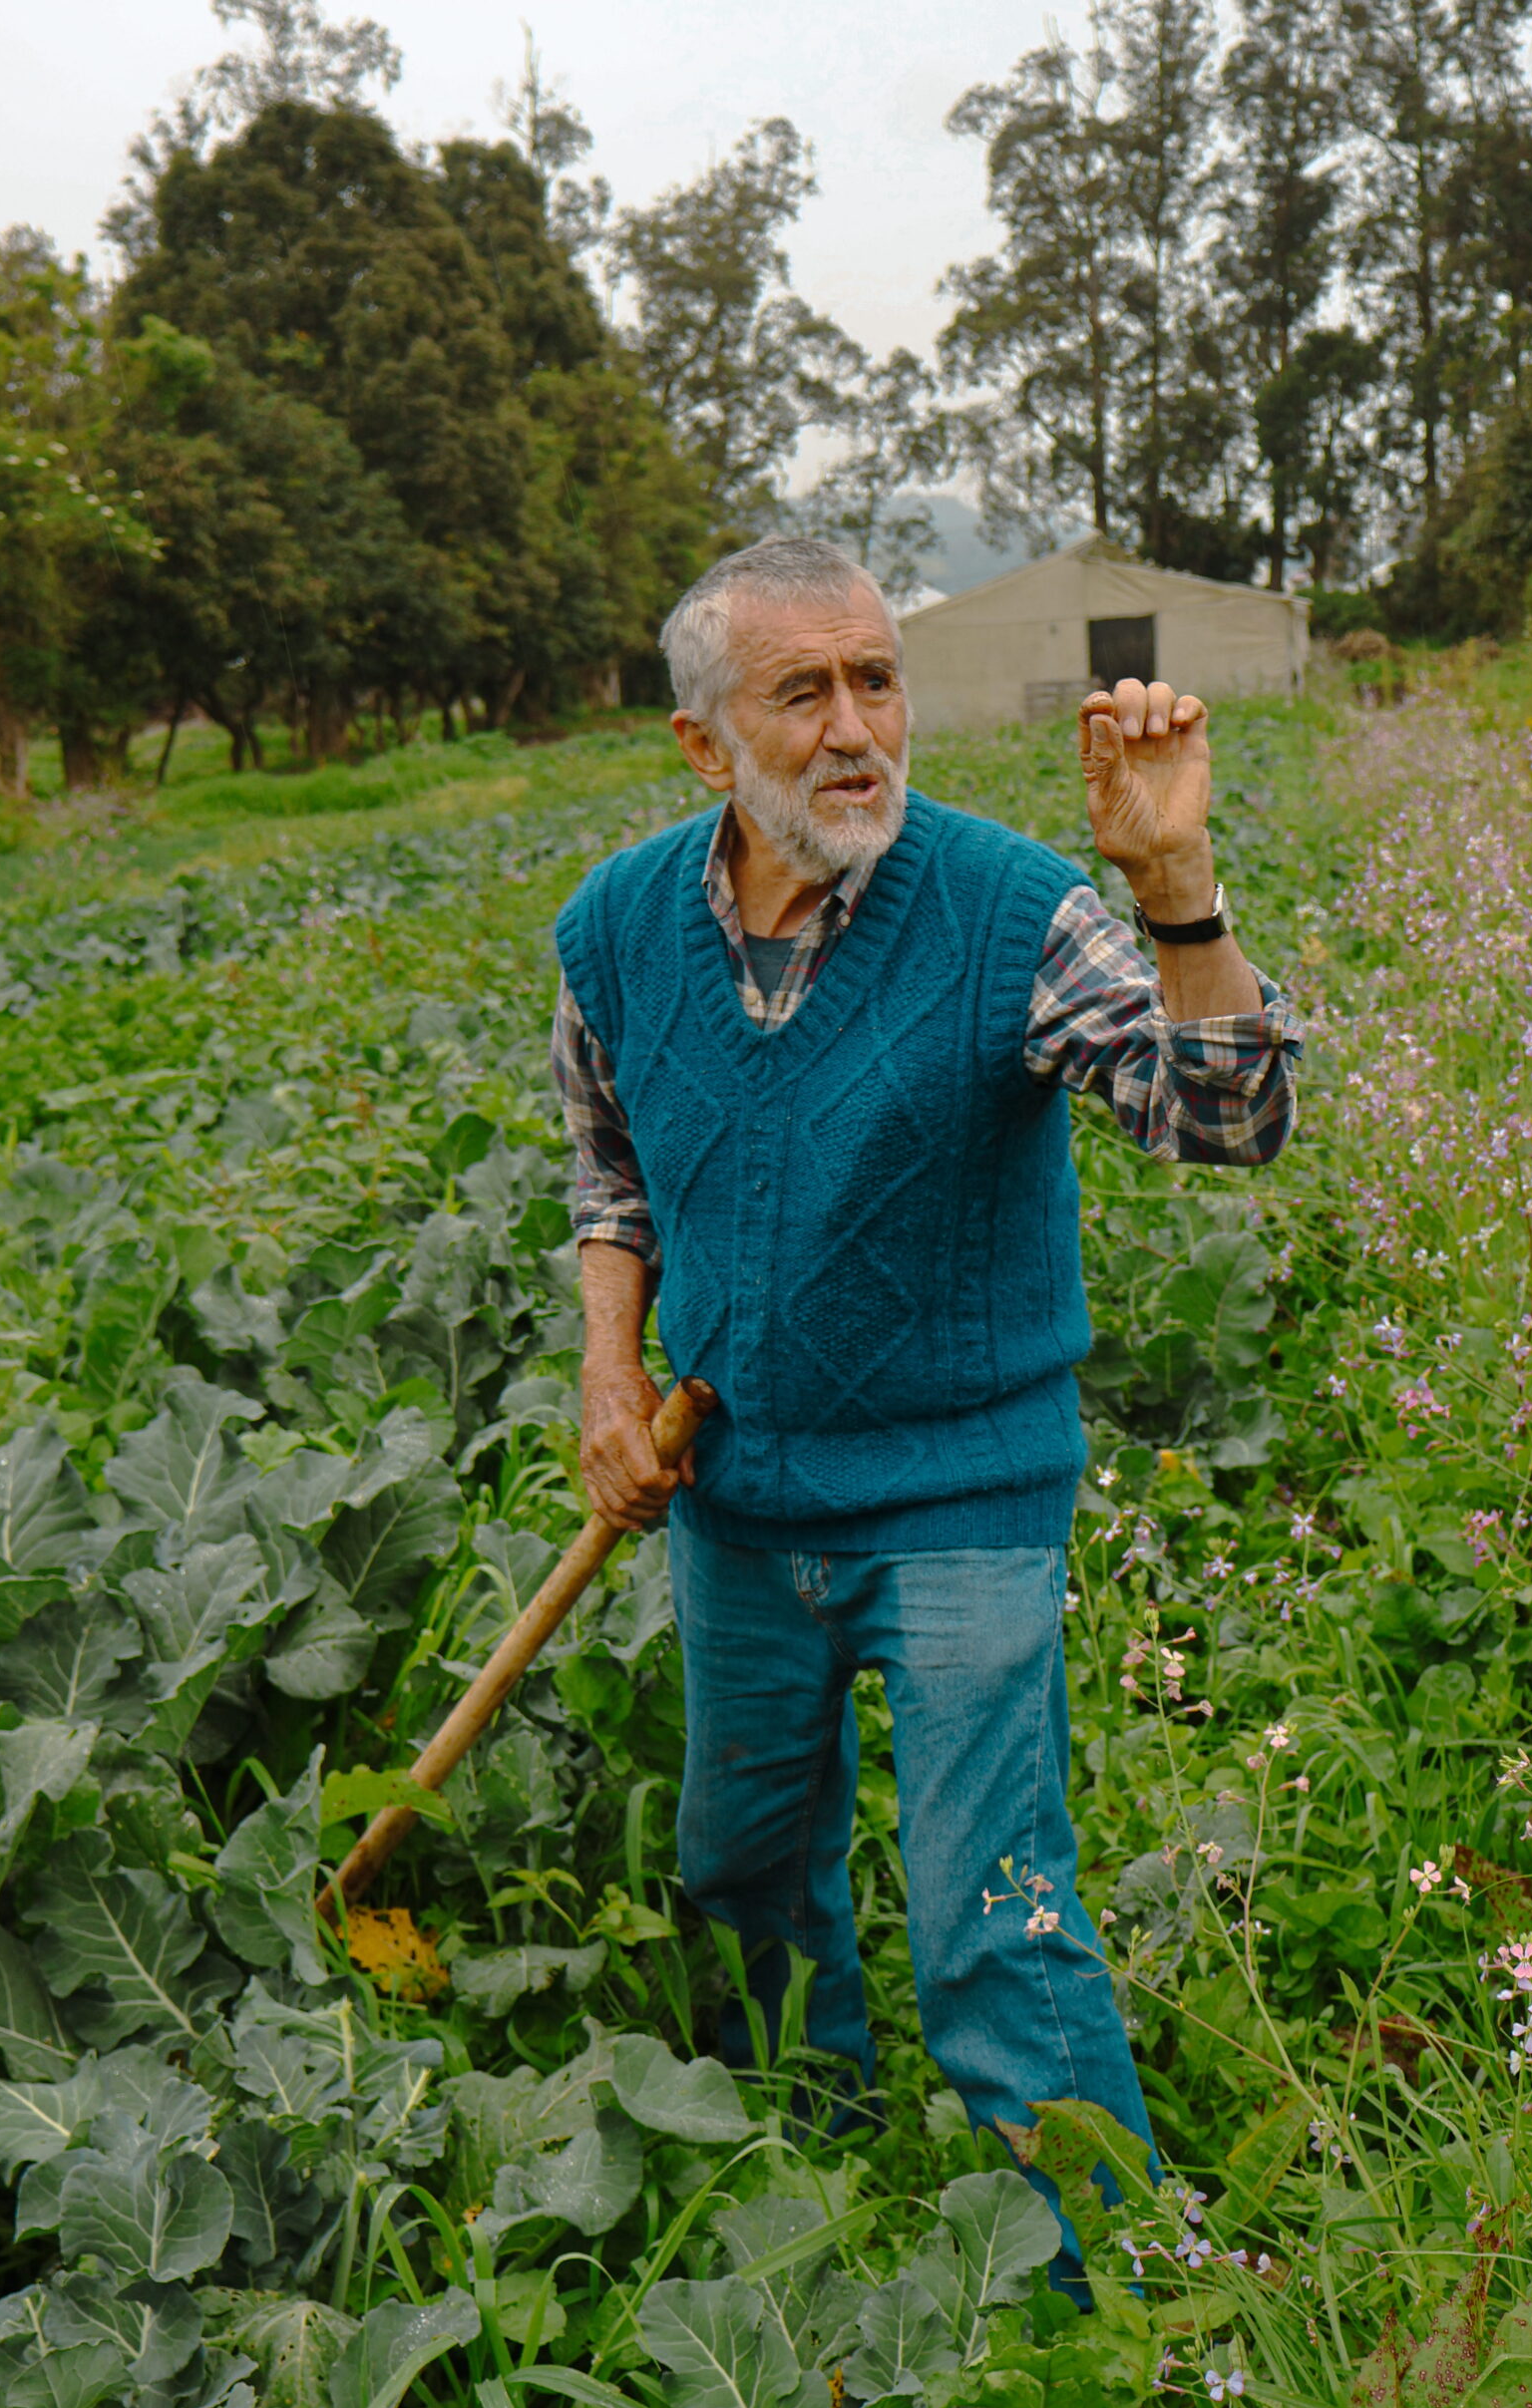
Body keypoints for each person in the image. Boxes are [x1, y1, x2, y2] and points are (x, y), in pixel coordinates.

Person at [549, 535, 1301, 2274]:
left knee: (987, 1899)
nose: (853, 728)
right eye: (799, 693)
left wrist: (1177, 890)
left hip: (965, 1482)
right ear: (702, 745)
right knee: (742, 1868)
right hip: (737, 1489)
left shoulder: (1006, 910)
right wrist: (611, 1372)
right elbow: (613, 1181)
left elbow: (1225, 1124)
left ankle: (1123, 2267)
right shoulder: (614, 931)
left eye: (877, 680)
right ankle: (798, 2185)